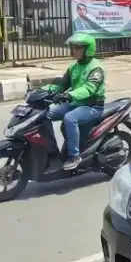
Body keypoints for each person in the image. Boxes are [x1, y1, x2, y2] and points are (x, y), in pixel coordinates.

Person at [46, 33, 106, 170]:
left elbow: (89, 89)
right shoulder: (74, 67)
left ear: (88, 49)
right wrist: (41, 91)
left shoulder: (96, 68)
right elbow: (61, 84)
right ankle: (51, 151)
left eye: (79, 48)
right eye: (74, 48)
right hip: (75, 103)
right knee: (45, 114)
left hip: (92, 106)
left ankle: (74, 156)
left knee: (69, 118)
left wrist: (69, 95)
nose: (75, 51)